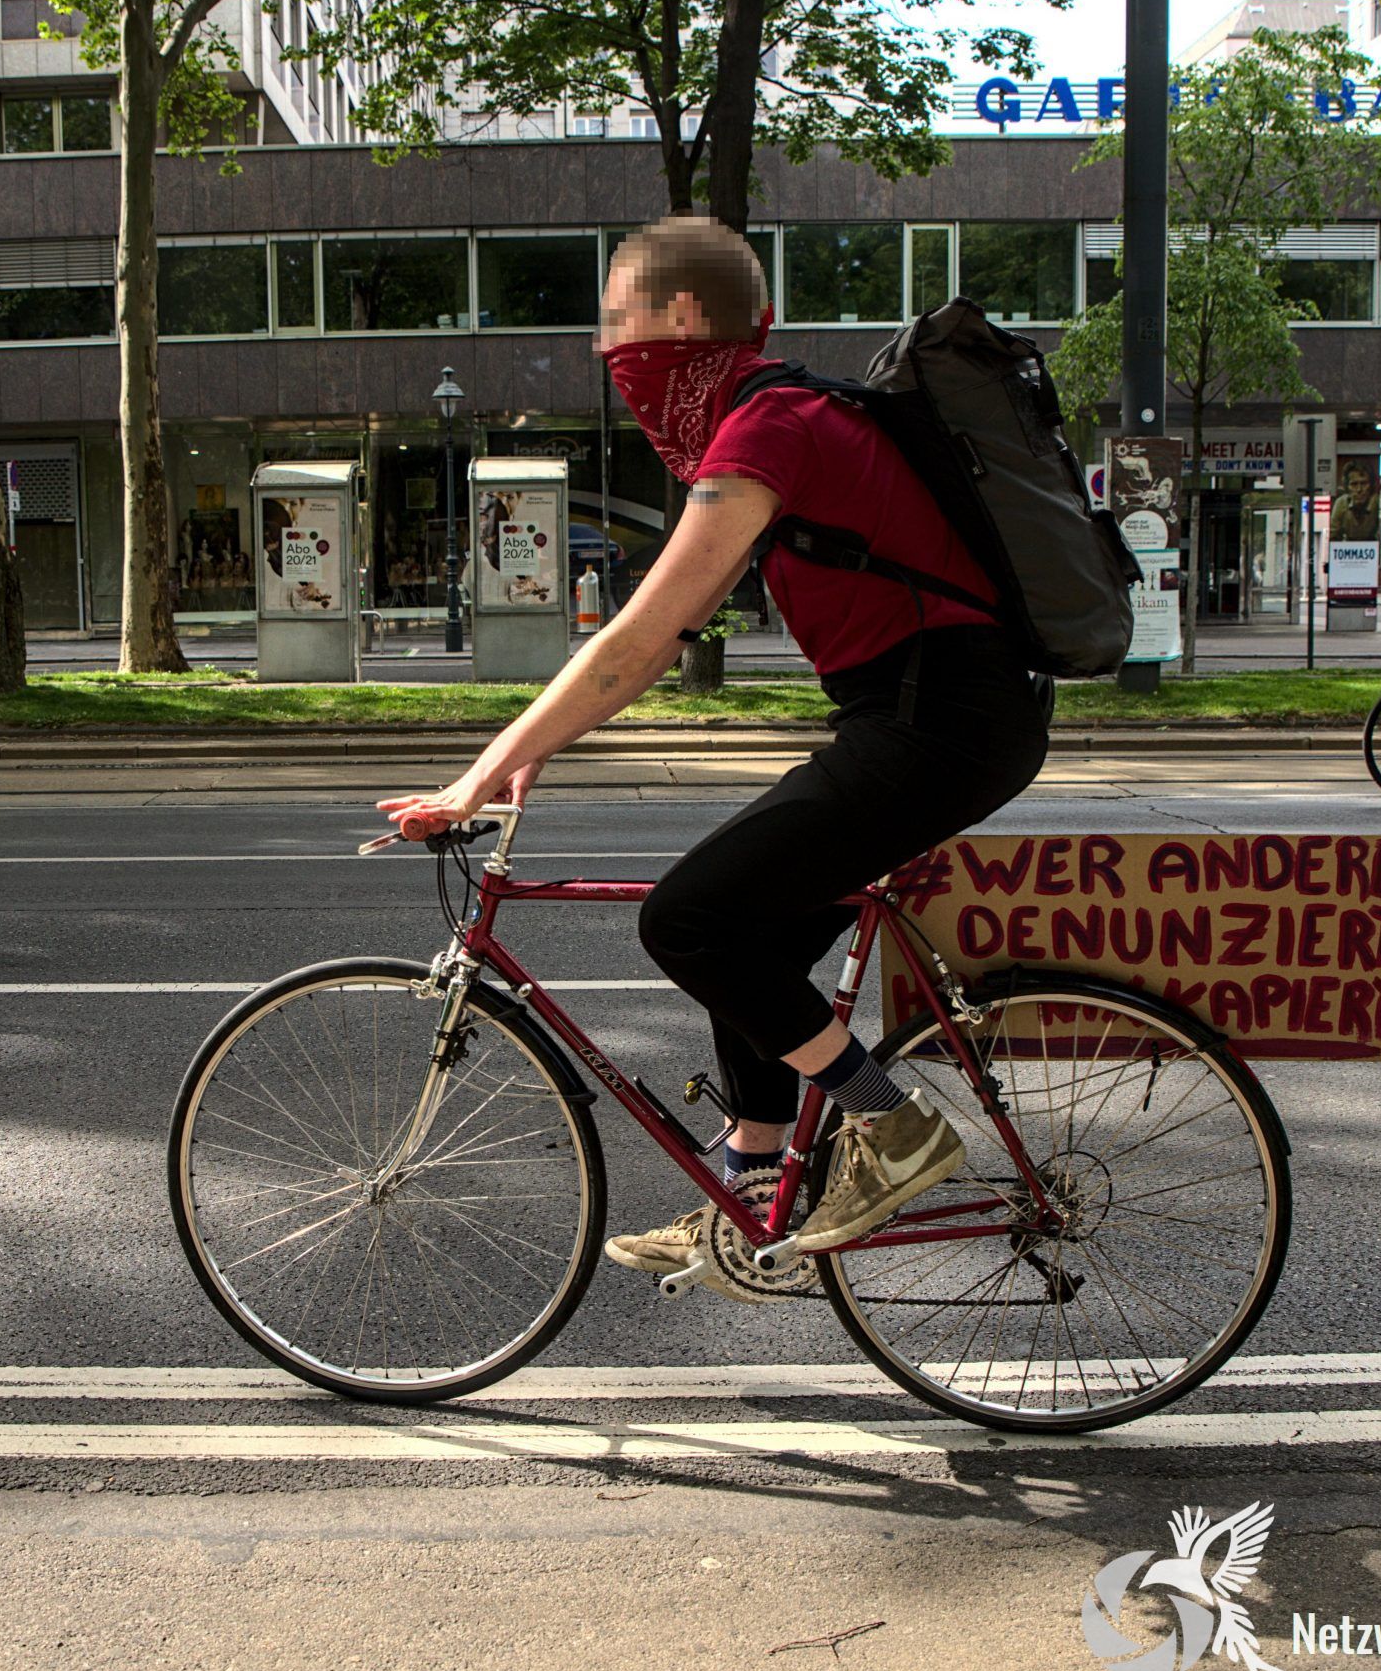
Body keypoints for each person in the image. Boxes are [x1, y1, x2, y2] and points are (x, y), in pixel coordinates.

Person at [378, 214, 1049, 1276]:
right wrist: (531, 752)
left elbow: (645, 635)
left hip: (940, 720)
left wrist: (483, 767)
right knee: (754, 955)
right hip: (937, 716)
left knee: (688, 921)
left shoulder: (768, 426)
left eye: (615, 319)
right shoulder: (787, 410)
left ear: (682, 317)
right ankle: (754, 1192)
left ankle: (893, 1125)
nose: (605, 348)